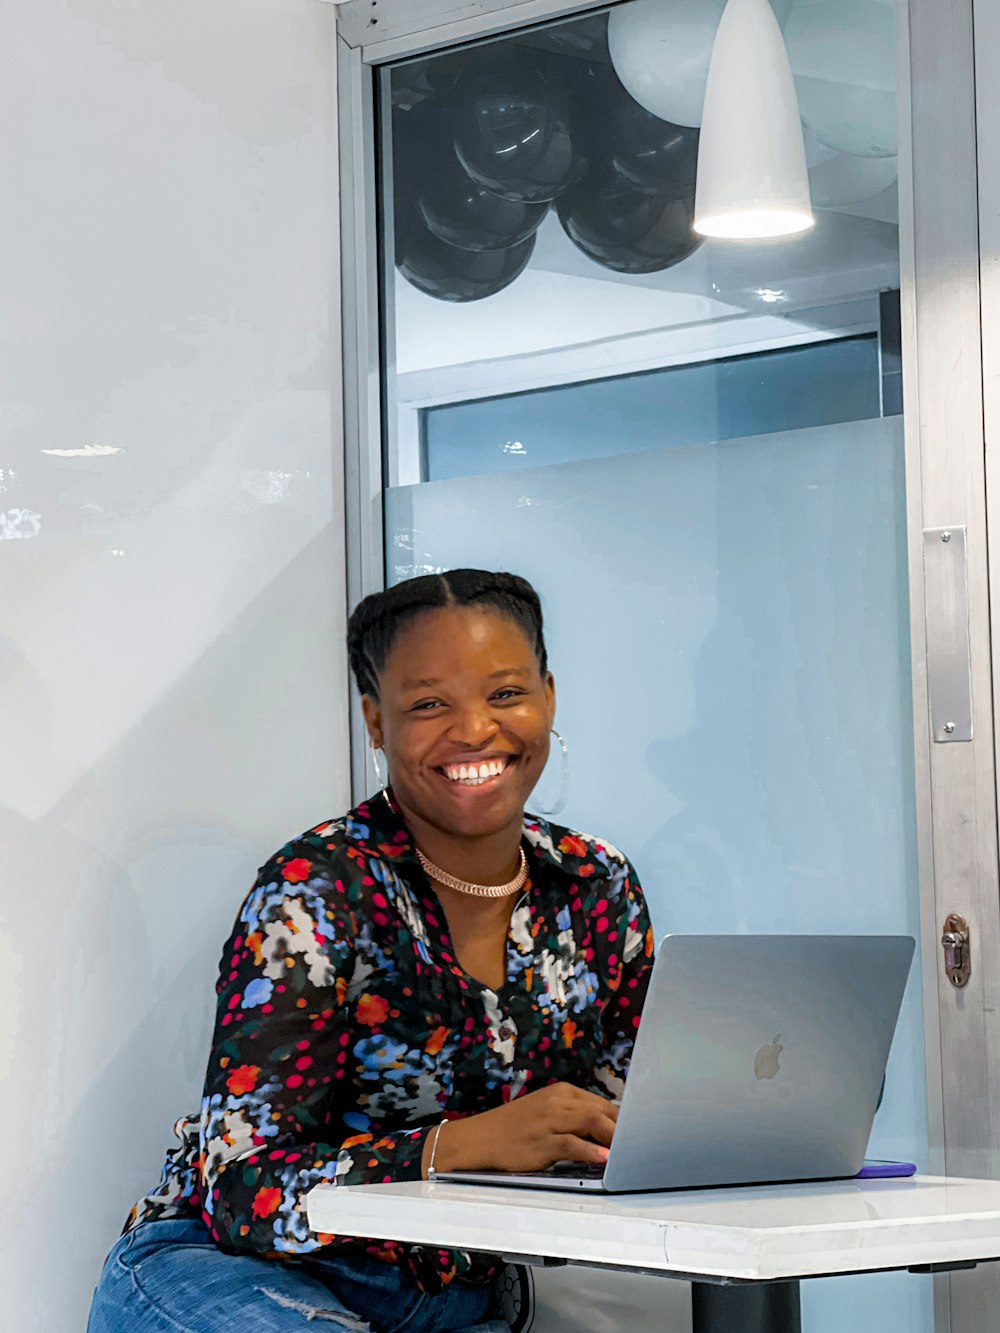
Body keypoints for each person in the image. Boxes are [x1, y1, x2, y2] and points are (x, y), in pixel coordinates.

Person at [87, 569, 655, 1333]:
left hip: (459, 1299)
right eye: (429, 704)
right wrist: (467, 1144)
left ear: (548, 696)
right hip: (233, 1275)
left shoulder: (595, 883)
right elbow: (240, 1191)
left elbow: (640, 1115)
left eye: (505, 693)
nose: (476, 729)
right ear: (376, 721)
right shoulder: (316, 891)